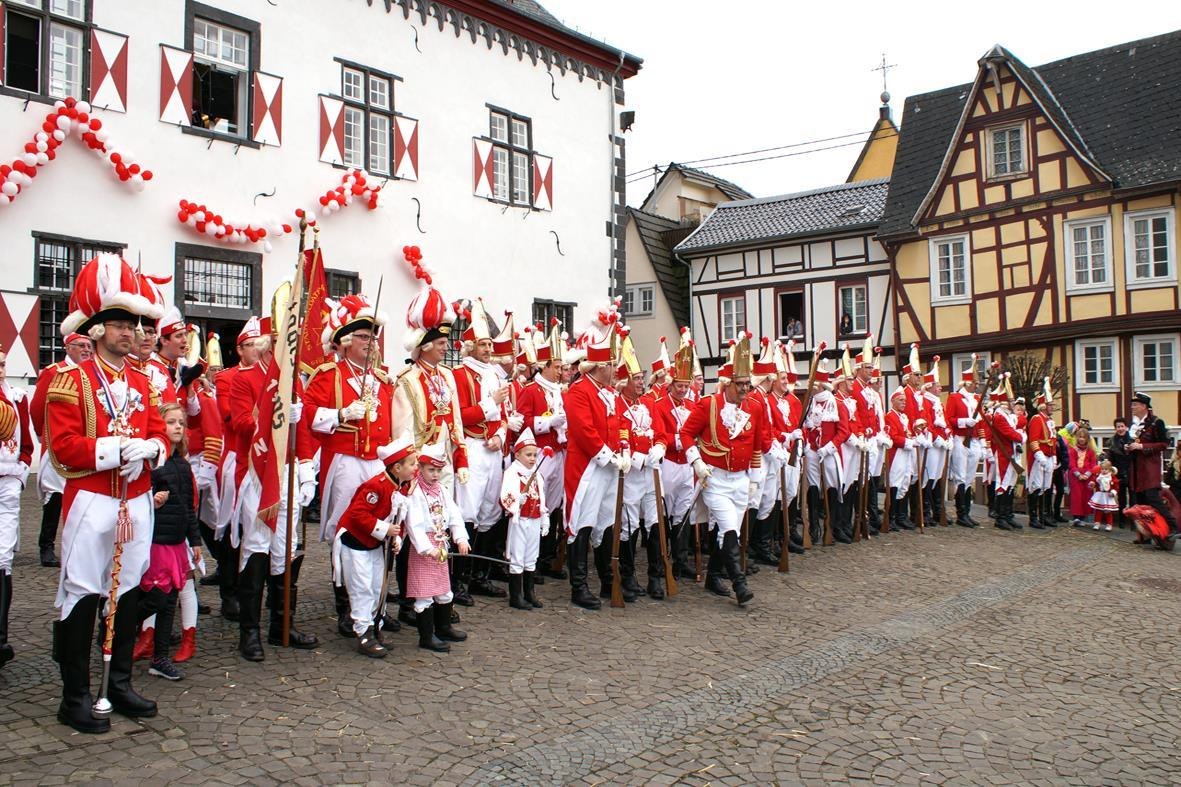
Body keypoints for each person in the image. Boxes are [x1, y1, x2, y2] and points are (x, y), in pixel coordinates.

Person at [46, 252, 167, 733]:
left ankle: (117, 683)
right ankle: (74, 694)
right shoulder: (70, 380)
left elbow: (160, 432)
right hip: (92, 498)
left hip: (135, 499)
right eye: (119, 324)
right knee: (82, 591)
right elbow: (63, 448)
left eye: (133, 325)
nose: (129, 333)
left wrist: (153, 448)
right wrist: (116, 449)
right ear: (96, 330)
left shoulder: (144, 381)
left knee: (129, 589)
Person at [302, 295, 396, 638]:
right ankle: (347, 606)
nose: (371, 344)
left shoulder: (382, 380)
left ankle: (376, 605)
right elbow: (307, 415)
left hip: (377, 464)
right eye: (364, 337)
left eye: (374, 338)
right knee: (346, 530)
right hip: (345, 461)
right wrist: (340, 414)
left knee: (381, 527)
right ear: (345, 341)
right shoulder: (329, 375)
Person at [230, 314, 318, 661]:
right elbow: (240, 424)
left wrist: (307, 469)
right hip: (259, 472)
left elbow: (304, 430)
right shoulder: (245, 379)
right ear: (270, 349)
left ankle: (282, 624)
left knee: (285, 549)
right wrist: (274, 418)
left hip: (288, 472)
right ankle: (249, 631)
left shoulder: (294, 383)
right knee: (256, 549)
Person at [679, 334, 763, 605]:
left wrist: (755, 479)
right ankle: (739, 583)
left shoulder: (755, 408)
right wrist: (696, 461)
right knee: (728, 529)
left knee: (728, 530)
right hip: (715, 478)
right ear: (727, 384)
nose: (745, 389)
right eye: (740, 384)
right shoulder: (708, 405)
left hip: (741, 479)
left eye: (748, 384)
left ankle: (713, 576)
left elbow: (757, 444)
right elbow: (685, 434)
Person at [564, 321, 630, 609]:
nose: (616, 370)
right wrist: (609, 456)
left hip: (608, 467)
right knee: (582, 522)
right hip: (587, 469)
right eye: (612, 365)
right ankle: (578, 586)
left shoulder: (609, 392)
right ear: (599, 366)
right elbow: (584, 431)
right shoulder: (579, 391)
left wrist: (624, 448)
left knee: (606, 521)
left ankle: (607, 580)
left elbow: (620, 424)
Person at [334, 435, 416, 658]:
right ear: (397, 468)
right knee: (362, 587)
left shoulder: (401, 487)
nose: (415, 468)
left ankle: (375, 625)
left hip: (375, 542)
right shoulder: (376, 486)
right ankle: (363, 632)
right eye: (412, 464)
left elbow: (398, 519)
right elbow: (357, 514)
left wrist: (396, 539)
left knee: (377, 586)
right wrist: (385, 529)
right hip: (355, 541)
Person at [136, 403, 202, 681]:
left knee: (169, 601)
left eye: (181, 423)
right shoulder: (152, 464)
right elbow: (137, 501)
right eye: (171, 422)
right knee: (155, 598)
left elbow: (188, 507)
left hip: (176, 543)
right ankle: (117, 629)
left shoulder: (183, 465)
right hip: (156, 541)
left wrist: (194, 540)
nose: (177, 427)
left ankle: (160, 658)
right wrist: (153, 502)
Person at [450, 299, 508, 602]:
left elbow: (504, 416)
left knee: (490, 510)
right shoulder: (459, 375)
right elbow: (460, 416)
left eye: (489, 344)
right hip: (472, 447)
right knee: (467, 512)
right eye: (483, 344)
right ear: (470, 347)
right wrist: (490, 404)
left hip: (492, 450)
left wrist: (500, 435)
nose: (488, 349)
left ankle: (480, 576)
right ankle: (459, 581)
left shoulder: (495, 375)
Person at [211, 318, 263, 621]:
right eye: (249, 345)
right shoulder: (227, 378)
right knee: (233, 526)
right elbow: (230, 416)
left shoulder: (271, 376)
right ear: (239, 350)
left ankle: (255, 589)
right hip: (237, 455)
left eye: (258, 344)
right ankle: (229, 592)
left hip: (266, 460)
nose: (256, 349)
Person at [30, 332, 92, 567]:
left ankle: (77, 545)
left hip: (84, 445)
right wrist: (44, 435)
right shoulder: (54, 372)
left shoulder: (92, 374)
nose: (86, 350)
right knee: (55, 497)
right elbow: (37, 407)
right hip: (59, 443)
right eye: (81, 345)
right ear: (68, 348)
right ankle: (46, 546)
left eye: (89, 346)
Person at [516, 320, 568, 581]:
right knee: (537, 503)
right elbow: (523, 421)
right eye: (556, 367)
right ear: (544, 366)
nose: (560, 372)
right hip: (538, 454)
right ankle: (532, 561)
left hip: (558, 452)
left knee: (554, 504)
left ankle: (548, 557)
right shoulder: (531, 390)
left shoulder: (559, 391)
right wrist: (548, 422)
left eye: (561, 367)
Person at [405, 442, 470, 652]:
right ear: (420, 468)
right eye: (431, 470)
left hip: (441, 544)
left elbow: (454, 514)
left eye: (438, 471)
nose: (435, 475)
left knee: (444, 590)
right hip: (425, 549)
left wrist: (461, 538)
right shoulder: (415, 492)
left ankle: (444, 627)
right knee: (424, 593)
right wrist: (427, 549)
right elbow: (414, 525)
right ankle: (426, 636)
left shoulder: (441, 490)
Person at [802, 358, 851, 543]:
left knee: (833, 486)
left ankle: (832, 527)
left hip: (829, 452)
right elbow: (804, 426)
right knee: (813, 487)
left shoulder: (837, 404)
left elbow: (844, 432)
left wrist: (829, 447)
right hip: (812, 451)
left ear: (820, 386)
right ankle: (813, 527)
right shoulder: (810, 404)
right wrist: (807, 444)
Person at [500, 429, 549, 610]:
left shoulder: (536, 474)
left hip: (534, 519)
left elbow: (542, 496)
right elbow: (505, 496)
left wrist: (544, 517)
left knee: (531, 556)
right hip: (519, 520)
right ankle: (516, 595)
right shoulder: (512, 473)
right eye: (528, 455)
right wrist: (516, 502)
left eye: (535, 455)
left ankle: (530, 592)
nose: (532, 458)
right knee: (518, 556)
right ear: (517, 454)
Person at [1126, 391, 1178, 537]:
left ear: (1144, 406)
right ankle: (1147, 534)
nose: (1132, 407)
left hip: (1150, 469)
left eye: (1135, 405)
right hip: (1137, 469)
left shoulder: (1156, 423)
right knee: (1141, 502)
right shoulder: (1134, 425)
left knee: (1153, 499)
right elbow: (1135, 443)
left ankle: (1173, 527)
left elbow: (1164, 444)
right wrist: (1129, 447)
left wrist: (1142, 447)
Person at [0, 363, 24, 670]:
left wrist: (20, 473)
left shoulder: (17, 397)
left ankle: (1, 639)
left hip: (8, 481)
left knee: (3, 558)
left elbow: (26, 442)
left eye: (3, 364)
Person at [945, 358, 984, 528]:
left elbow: (981, 423)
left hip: (973, 440)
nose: (977, 385)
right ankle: (961, 513)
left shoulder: (976, 399)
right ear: (967, 383)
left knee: (969, 477)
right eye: (975, 383)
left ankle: (967, 511)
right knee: (960, 476)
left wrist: (982, 442)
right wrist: (964, 422)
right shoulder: (954, 397)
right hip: (960, 439)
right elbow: (949, 419)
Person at [985, 375, 1025, 531]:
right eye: (1010, 400)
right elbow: (1010, 433)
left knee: (1010, 484)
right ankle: (1000, 517)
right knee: (1003, 484)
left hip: (1012, 453)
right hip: (1004, 453)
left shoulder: (1009, 415)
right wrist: (1021, 436)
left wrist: (1020, 432)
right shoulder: (999, 416)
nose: (1013, 403)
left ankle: (1008, 515)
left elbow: (1021, 422)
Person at [1025, 379, 1058, 530]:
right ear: (1043, 406)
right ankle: (1033, 517)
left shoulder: (1050, 421)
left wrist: (1054, 455)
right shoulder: (1037, 419)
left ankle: (1044, 516)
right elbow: (1033, 439)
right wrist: (1039, 454)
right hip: (1040, 458)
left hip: (1049, 456)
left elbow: (1053, 440)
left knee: (1046, 487)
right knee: (1036, 486)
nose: (1052, 408)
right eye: (1050, 405)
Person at [1067, 428, 1098, 527]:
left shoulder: (1091, 451)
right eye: (1080, 437)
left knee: (1086, 496)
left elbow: (1093, 465)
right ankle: (1076, 517)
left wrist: (1086, 475)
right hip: (1075, 476)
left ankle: (1083, 517)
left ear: (1087, 439)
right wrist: (1078, 475)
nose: (1081, 439)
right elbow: (1071, 464)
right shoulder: (1073, 450)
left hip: (1087, 476)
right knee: (1077, 496)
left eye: (1084, 437)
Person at [1108, 418, 1133, 527]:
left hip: (1131, 472)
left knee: (1133, 498)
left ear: (1126, 427)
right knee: (1121, 498)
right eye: (1118, 427)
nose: (1120, 429)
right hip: (1119, 472)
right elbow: (1111, 459)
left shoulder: (1132, 440)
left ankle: (1133, 521)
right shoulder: (1112, 442)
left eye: (1122, 426)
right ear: (1115, 428)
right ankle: (1122, 521)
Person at [1089, 458, 1118, 532]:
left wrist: (1113, 492)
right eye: (1102, 469)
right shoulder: (1099, 476)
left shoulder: (1112, 477)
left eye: (1106, 469)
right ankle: (1097, 523)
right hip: (1100, 495)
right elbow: (1095, 483)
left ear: (1109, 469)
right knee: (1098, 510)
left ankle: (1109, 524)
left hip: (1108, 496)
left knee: (1108, 511)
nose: (1104, 471)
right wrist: (1092, 484)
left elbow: (1116, 486)